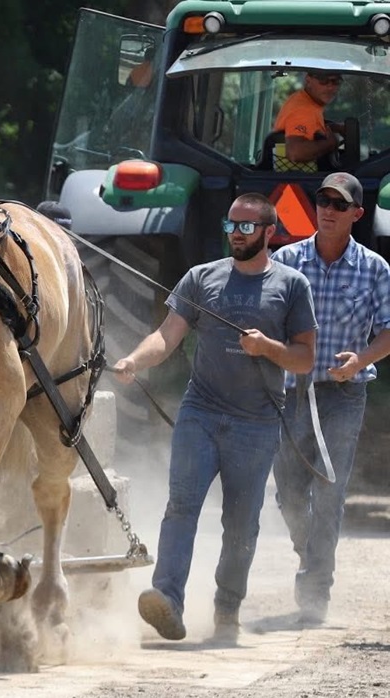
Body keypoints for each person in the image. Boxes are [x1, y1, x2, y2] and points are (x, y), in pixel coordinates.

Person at [113, 192, 317, 644]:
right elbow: (166, 336)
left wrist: (268, 348)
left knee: (241, 523)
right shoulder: (200, 278)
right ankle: (167, 598)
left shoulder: (292, 285)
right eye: (231, 226)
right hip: (200, 413)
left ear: (269, 232)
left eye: (246, 226)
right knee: (181, 506)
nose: (236, 233)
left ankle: (227, 610)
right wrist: (133, 361)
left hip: (257, 424)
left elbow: (304, 360)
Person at [269, 172, 390, 625]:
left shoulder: (376, 269)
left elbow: (388, 331)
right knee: (288, 493)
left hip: (343, 393)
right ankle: (311, 552)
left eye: (339, 204)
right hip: (291, 392)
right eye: (322, 200)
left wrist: (358, 361)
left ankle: (316, 585)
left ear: (357, 214)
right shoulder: (286, 259)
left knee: (331, 490)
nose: (328, 209)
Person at [271, 71, 344, 172]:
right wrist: (330, 144)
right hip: (300, 180)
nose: (330, 87)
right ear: (308, 80)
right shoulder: (304, 109)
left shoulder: (304, 100)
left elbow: (310, 129)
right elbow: (296, 152)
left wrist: (334, 127)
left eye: (336, 81)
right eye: (323, 80)